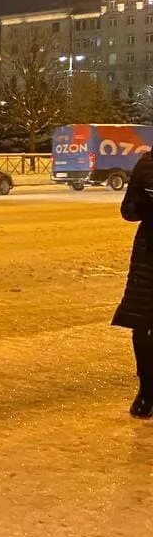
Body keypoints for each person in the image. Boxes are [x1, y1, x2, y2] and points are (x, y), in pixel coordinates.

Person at [114, 151, 153, 418]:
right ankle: (147, 390)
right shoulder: (147, 163)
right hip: (149, 257)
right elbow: (128, 210)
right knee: (143, 325)